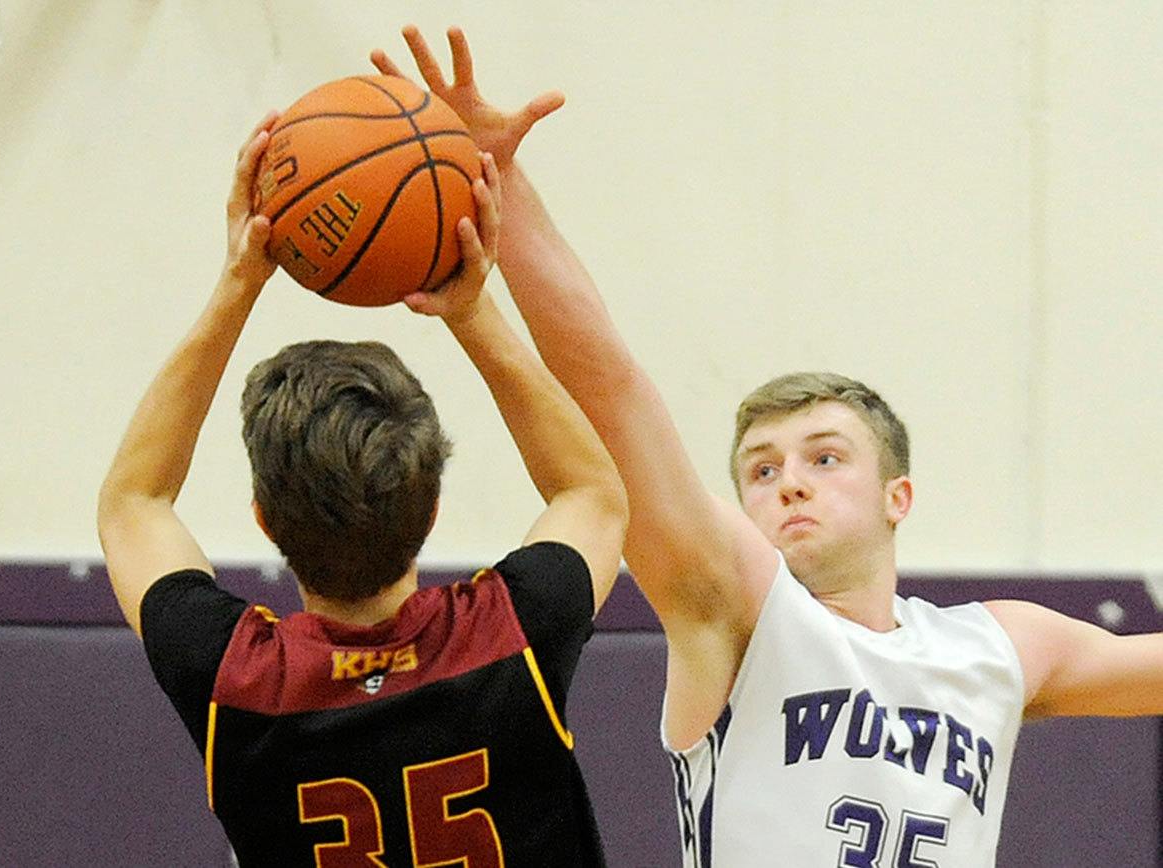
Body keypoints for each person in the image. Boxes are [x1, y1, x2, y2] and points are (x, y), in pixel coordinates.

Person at [374, 26, 1163, 866]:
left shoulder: (1000, 647)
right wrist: (506, 184)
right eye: (762, 469)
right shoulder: (740, 610)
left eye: (825, 458)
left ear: (897, 495)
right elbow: (612, 389)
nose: (789, 483)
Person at [96, 112, 627, 866]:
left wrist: (238, 282)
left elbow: (134, 501)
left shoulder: (236, 680)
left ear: (264, 521)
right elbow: (592, 493)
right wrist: (470, 309)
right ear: (432, 510)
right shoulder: (510, 634)